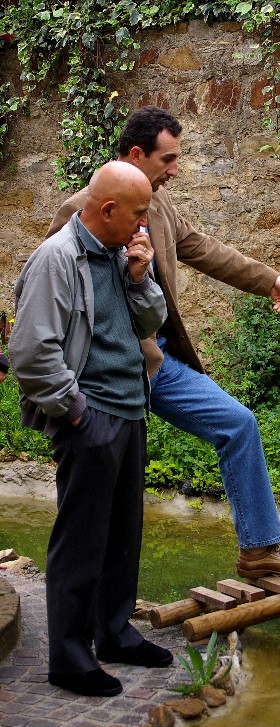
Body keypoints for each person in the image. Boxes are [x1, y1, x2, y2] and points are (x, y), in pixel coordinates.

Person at [46, 106, 280, 580]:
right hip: (102, 378)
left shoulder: (163, 208)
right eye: (168, 159)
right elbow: (46, 289)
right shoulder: (82, 210)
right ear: (137, 154)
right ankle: (89, 610)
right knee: (102, 497)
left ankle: (258, 552)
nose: (176, 170)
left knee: (238, 424)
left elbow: (209, 250)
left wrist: (271, 281)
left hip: (156, 365)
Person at [9, 162, 169, 698]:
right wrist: (75, 411)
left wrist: (141, 279)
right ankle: (71, 659)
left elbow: (150, 326)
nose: (145, 223)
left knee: (124, 535)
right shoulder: (58, 258)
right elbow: (30, 351)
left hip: (130, 409)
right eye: (139, 213)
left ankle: (115, 633)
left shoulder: (120, 254)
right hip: (93, 414)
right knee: (81, 541)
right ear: (107, 211)